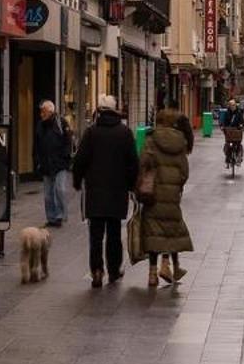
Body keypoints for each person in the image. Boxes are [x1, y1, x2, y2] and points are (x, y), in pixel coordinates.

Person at [72, 93, 139, 287]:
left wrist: (78, 181)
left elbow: (80, 160)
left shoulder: (91, 133)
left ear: (99, 111)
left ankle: (97, 271)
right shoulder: (125, 133)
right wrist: (131, 186)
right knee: (114, 234)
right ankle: (114, 269)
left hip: (95, 192)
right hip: (117, 193)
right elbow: (133, 163)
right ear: (115, 109)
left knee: (96, 235)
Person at [140, 107, 195, 288]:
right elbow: (184, 172)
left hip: (153, 194)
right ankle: (167, 265)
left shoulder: (151, 140)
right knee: (171, 229)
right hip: (172, 195)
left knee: (153, 232)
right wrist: (176, 185)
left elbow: (143, 164)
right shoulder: (180, 142)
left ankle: (152, 274)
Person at [36, 99, 73, 229]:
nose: (41, 114)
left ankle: (60, 216)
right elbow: (37, 144)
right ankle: (51, 218)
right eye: (41, 111)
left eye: (43, 111)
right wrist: (37, 160)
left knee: (60, 189)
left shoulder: (61, 123)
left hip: (60, 164)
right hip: (46, 164)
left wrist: (65, 158)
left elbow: (68, 142)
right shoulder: (40, 125)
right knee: (47, 195)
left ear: (51, 111)